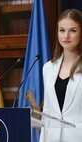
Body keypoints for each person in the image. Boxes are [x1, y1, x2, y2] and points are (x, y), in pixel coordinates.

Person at [39, 9, 82, 142]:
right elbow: (46, 112)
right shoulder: (48, 68)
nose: (66, 36)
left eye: (73, 30)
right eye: (62, 30)